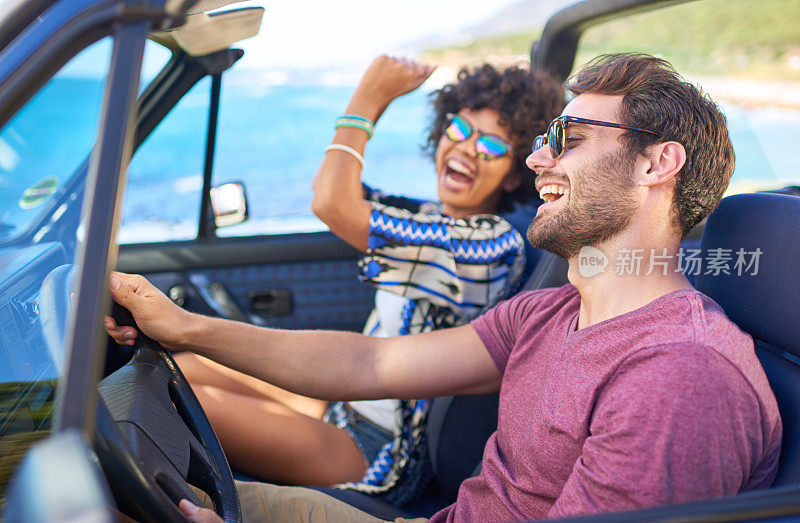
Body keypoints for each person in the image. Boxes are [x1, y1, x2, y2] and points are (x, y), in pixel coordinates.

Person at [106, 53, 782, 522]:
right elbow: (369, 362)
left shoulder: (679, 375)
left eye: (568, 138)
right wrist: (182, 326)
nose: (537, 157)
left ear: (659, 163)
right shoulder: (547, 312)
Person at [167, 54, 566, 499]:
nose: (467, 148)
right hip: (343, 407)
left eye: (493, 146)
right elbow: (333, 188)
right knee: (177, 371)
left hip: (381, 450)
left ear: (514, 175)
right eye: (459, 129)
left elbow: (332, 205)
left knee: (179, 403)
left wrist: (370, 98)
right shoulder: (428, 215)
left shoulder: (491, 246)